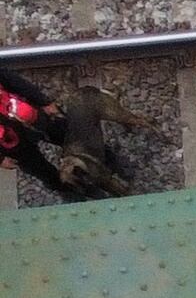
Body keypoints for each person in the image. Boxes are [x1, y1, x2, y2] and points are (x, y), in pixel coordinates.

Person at [0, 71, 124, 202]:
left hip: (34, 116)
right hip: (9, 142)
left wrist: (44, 102)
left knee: (77, 138)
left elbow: (13, 81)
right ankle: (71, 189)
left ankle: (111, 161)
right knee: (41, 169)